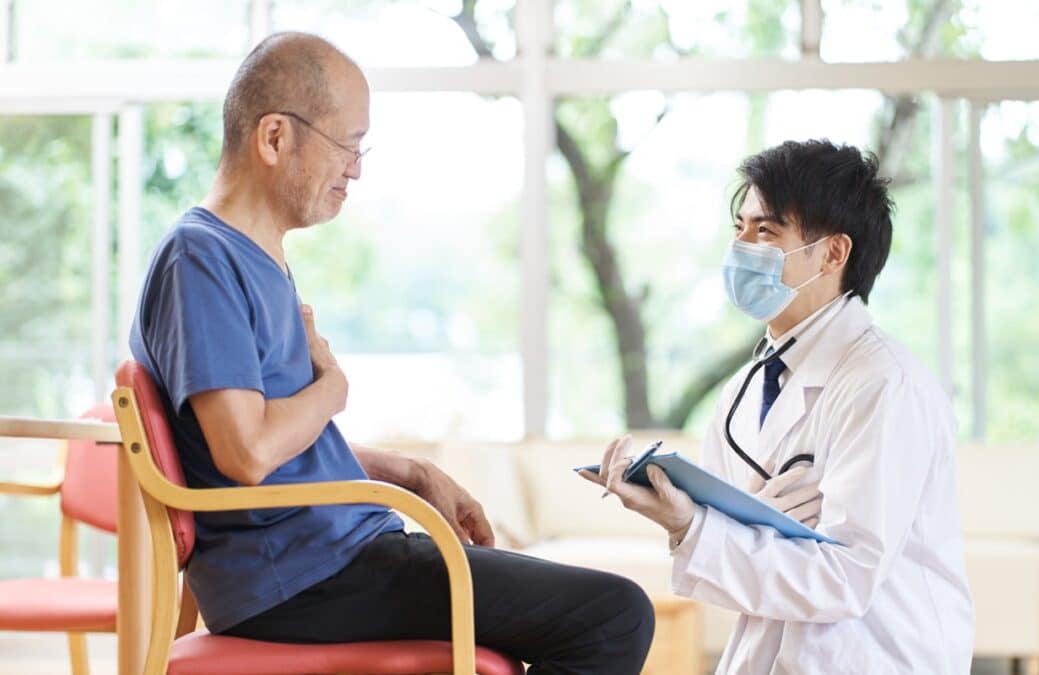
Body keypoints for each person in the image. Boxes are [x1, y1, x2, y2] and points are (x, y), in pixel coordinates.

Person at [129, 31, 653, 673]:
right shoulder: (201, 259)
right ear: (274, 138)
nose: (356, 168)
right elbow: (247, 453)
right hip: (304, 579)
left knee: (576, 615)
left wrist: (405, 470)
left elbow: (280, 453)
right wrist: (332, 389)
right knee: (613, 615)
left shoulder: (257, 259)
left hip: (336, 557)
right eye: (347, 145)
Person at [580, 140, 974, 674]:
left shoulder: (884, 385)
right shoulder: (746, 387)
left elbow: (844, 577)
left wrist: (705, 529)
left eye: (766, 231)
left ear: (834, 253)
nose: (741, 245)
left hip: (875, 658)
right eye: (739, 228)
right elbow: (734, 551)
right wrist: (687, 522)